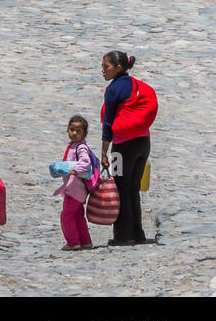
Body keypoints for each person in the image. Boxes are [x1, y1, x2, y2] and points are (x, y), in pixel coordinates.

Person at [101, 50, 151, 247]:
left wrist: (104, 151)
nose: (103, 71)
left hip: (122, 147)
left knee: (120, 189)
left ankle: (123, 236)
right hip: (143, 144)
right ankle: (138, 234)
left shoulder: (113, 90)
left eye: (106, 67)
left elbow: (108, 123)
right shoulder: (135, 85)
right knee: (133, 189)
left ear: (118, 68)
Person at [49, 115, 97, 250]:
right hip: (76, 189)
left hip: (75, 189)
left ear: (84, 134)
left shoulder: (81, 148)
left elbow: (86, 163)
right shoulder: (73, 146)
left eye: (78, 131)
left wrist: (75, 171)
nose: (74, 133)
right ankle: (85, 241)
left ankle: (73, 242)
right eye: (71, 130)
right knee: (77, 215)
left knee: (67, 215)